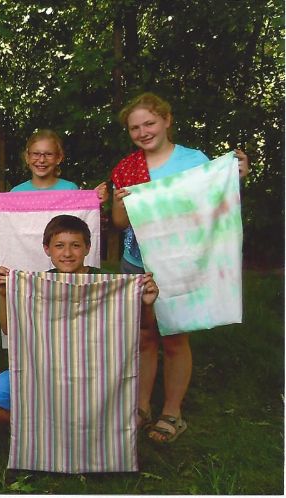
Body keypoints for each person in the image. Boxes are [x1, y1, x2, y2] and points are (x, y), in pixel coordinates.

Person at [111, 92, 249, 444]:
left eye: (149, 123)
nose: (143, 132)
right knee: (141, 337)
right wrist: (119, 203)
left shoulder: (194, 161)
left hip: (180, 262)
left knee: (174, 336)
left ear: (167, 120)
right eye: (135, 128)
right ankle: (141, 406)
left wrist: (235, 176)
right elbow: (119, 222)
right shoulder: (127, 168)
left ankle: (172, 411)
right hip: (136, 263)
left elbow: (214, 201)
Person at [0, 215, 159, 425]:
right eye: (59, 246)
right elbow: (10, 330)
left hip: (96, 373)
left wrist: (147, 304)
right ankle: (38, 430)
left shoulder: (108, 283)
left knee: (117, 421)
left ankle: (73, 429)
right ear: (46, 249)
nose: (67, 253)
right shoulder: (37, 285)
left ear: (88, 248)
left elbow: (143, 330)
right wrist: (5, 296)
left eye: (75, 246)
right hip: (43, 369)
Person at [9, 129, 108, 202]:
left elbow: (78, 222)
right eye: (36, 154)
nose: (42, 160)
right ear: (27, 157)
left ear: (59, 158)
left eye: (48, 154)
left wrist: (93, 200)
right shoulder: (16, 193)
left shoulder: (70, 189)